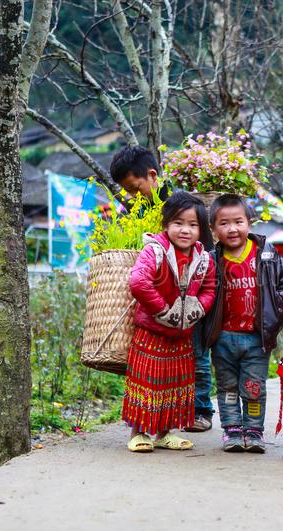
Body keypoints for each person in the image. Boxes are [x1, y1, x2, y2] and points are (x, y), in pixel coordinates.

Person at [110, 145, 215, 431]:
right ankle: (160, 417)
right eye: (127, 192)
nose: (132, 196)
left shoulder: (182, 204)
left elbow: (205, 250)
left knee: (196, 354)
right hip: (161, 301)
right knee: (164, 363)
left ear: (152, 175)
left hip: (190, 298)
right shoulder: (142, 210)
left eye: (134, 188)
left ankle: (200, 409)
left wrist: (199, 303)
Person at [123, 191, 216, 452]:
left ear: (201, 229)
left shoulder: (203, 258)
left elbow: (209, 288)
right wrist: (163, 310)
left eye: (192, 224)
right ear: (166, 225)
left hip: (182, 334)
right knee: (147, 381)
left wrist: (197, 309)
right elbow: (138, 282)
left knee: (175, 383)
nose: (185, 230)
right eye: (178, 223)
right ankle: (138, 431)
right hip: (152, 331)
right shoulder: (154, 251)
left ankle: (165, 433)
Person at [202, 194, 283, 453]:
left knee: (253, 386)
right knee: (227, 386)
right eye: (224, 223)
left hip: (256, 338)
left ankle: (253, 430)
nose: (232, 229)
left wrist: (277, 308)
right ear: (213, 229)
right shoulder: (211, 260)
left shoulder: (266, 254)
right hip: (223, 338)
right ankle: (231, 430)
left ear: (249, 223)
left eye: (238, 221)